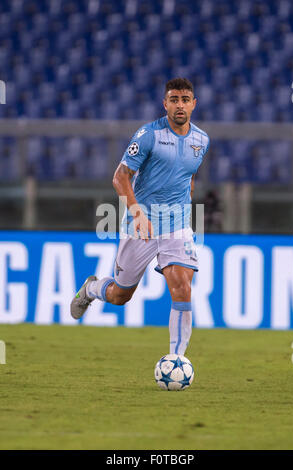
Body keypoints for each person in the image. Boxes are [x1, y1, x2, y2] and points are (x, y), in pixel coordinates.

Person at [70, 77, 210, 356]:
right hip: (141, 226)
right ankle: (92, 288)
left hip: (177, 226)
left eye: (185, 100)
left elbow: (188, 176)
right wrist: (137, 215)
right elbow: (120, 178)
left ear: (194, 104)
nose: (179, 105)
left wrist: (185, 205)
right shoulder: (148, 135)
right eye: (174, 100)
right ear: (165, 104)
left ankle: (176, 360)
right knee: (121, 295)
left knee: (182, 288)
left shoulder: (201, 140)